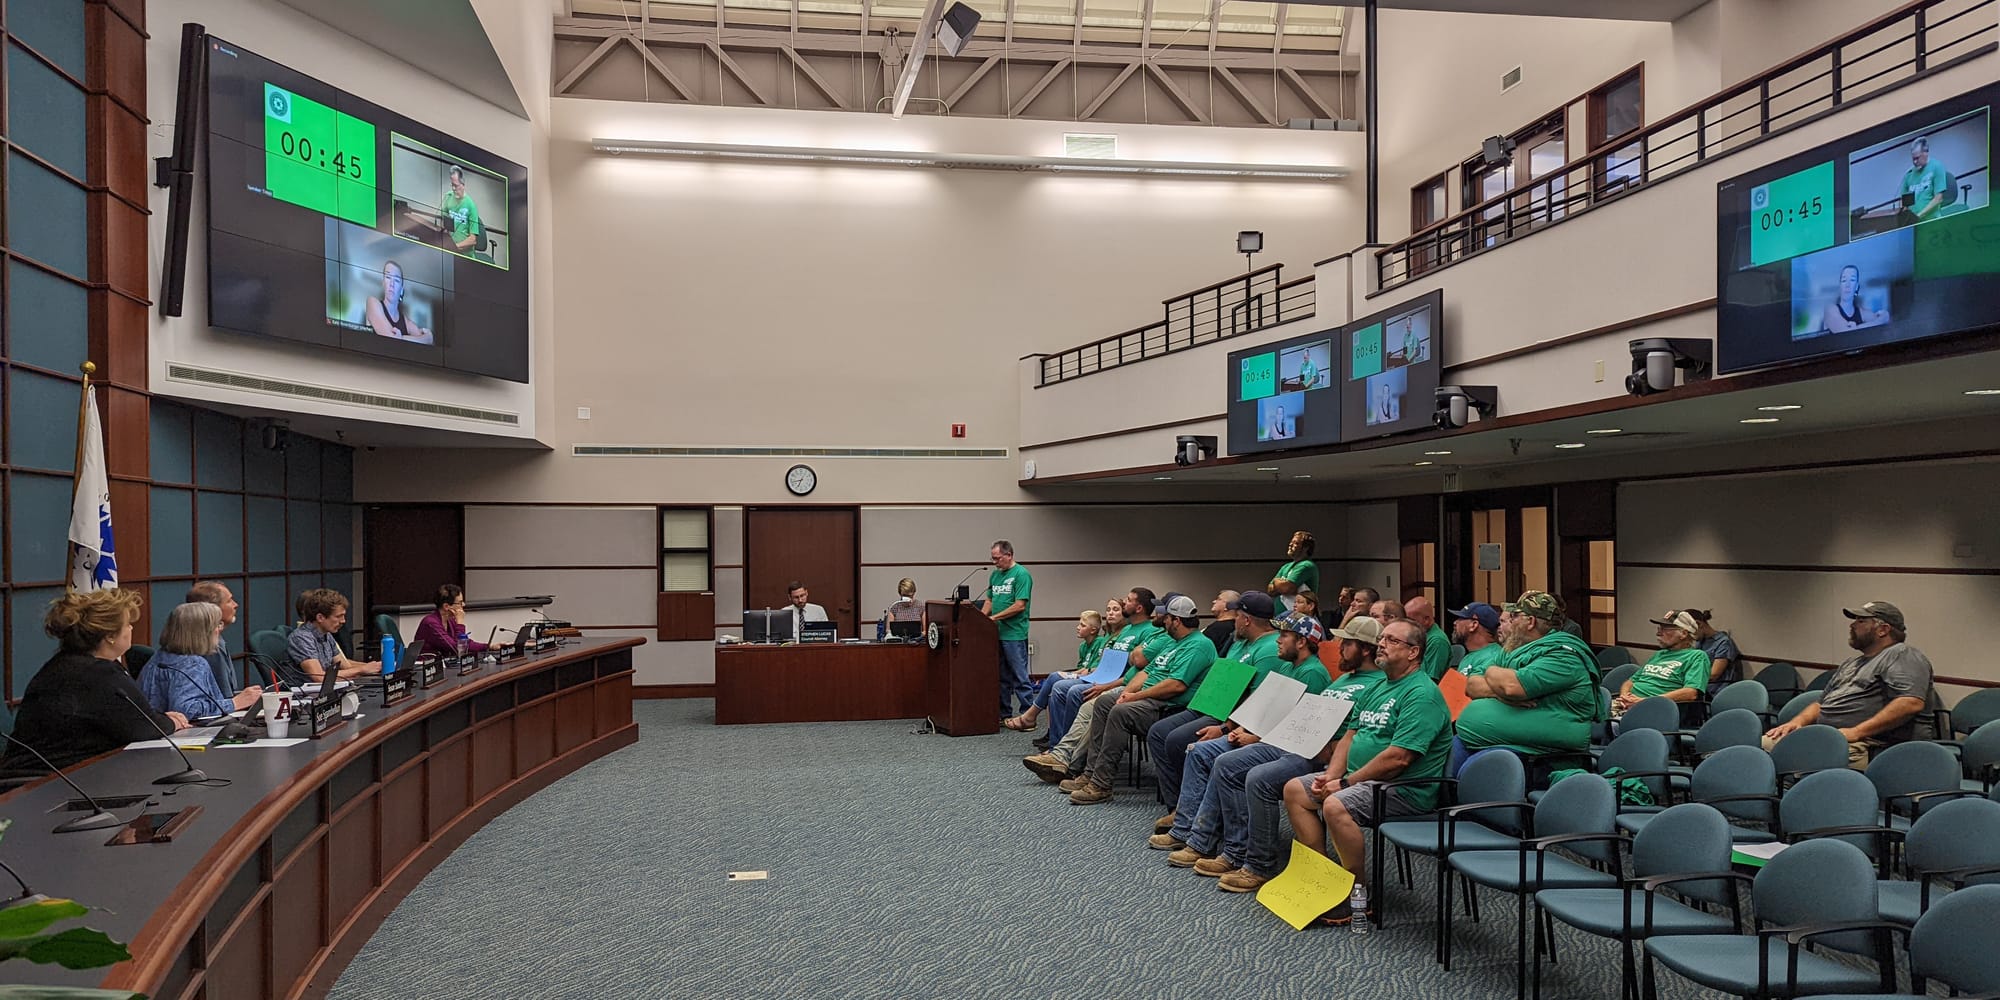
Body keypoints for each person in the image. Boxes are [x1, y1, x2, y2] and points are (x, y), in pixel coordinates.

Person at [1186, 615, 1386, 892]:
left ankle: (1259, 865)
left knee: (1258, 778)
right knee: (1226, 763)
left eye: (1347, 643)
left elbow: (1358, 735)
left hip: (1319, 755)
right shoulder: (1344, 679)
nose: (1339, 647)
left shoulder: (1375, 684)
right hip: (1296, 743)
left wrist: (1333, 765)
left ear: (1365, 649)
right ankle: (1231, 851)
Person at [1284, 618, 1453, 923]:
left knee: (1336, 805)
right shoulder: (1379, 686)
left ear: (1413, 652)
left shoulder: (1421, 694)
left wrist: (1345, 783)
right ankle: (1326, 879)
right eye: (1382, 638)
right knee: (1295, 790)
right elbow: (1350, 736)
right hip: (1360, 780)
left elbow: (1399, 758)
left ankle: (1356, 894)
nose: (1382, 644)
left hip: (1404, 789)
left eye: (1392, 640)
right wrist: (1332, 776)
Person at [1, 589, 188, 773]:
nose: (131, 628)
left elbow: (130, 718)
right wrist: (173, 722)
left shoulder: (62, 664)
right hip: (46, 780)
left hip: (49, 774)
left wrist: (160, 719)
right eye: (128, 624)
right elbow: (144, 728)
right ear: (110, 636)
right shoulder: (100, 673)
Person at [1064, 595, 1215, 805]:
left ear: (1176, 621)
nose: (1162, 621)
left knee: (1120, 712)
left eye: (1166, 618)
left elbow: (1176, 685)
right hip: (1148, 699)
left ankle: (1101, 785)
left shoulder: (1198, 645)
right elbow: (1145, 672)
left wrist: (1135, 697)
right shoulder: (1172, 643)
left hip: (1169, 705)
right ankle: (1090, 774)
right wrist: (1125, 694)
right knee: (1105, 702)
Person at [1150, 591, 1281, 831]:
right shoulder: (1239, 642)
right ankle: (1179, 806)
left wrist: (1224, 728)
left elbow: (1257, 699)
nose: (1234, 620)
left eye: (1237, 616)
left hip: (1229, 716)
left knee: (1177, 741)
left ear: (1247, 620)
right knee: (1158, 733)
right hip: (1211, 705)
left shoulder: (1269, 650)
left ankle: (1193, 810)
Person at [1763, 601, 1933, 770]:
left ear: (1883, 630)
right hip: (1830, 736)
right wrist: (1797, 722)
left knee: (1790, 758)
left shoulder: (1901, 655)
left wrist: (1856, 732)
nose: (1852, 625)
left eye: (1861, 621)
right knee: (1762, 745)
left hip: (1872, 744)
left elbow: (1910, 702)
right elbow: (1821, 704)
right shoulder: (1852, 663)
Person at [1453, 591, 1600, 776]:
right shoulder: (1514, 649)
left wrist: (1491, 672)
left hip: (1543, 758)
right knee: (1450, 757)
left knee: (1476, 771)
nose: (1509, 622)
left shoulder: (1564, 655)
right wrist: (1499, 693)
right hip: (1496, 743)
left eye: (1515, 616)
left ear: (1530, 622)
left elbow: (1512, 687)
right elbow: (1472, 685)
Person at [1024, 589, 1159, 770]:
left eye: (1128, 600)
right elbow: (1106, 658)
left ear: (1139, 608)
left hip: (1119, 682)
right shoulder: (1126, 629)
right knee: (1059, 687)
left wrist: (1105, 685)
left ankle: (1070, 755)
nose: (1124, 602)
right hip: (1101, 676)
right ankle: (1057, 748)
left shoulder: (1150, 631)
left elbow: (1138, 668)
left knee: (1074, 692)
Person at [139, 602, 263, 719]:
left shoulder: (158, 657)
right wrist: (235, 703)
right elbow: (186, 710)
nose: (219, 630)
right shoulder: (192, 664)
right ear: (202, 633)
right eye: (217, 625)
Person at [1004, 609, 1104, 733]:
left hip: (1092, 679)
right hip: (1082, 676)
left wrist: (1071, 674)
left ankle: (1030, 716)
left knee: (1054, 677)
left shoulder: (1100, 642)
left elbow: (1091, 670)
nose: (1078, 627)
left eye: (1082, 625)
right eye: (1079, 624)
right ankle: (1051, 734)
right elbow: (1081, 668)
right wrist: (1072, 673)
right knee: (1052, 691)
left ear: (1093, 630)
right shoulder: (1083, 646)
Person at [1611, 611, 1712, 716]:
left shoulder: (1697, 656)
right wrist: (1624, 697)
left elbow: (1691, 693)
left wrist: (1645, 702)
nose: (1658, 633)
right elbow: (1630, 681)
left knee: (1607, 723)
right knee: (1600, 713)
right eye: (1659, 629)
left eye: (1665, 629)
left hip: (1657, 710)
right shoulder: (1659, 654)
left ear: (1683, 633)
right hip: (1627, 705)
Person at [981, 540, 1034, 719]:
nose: (994, 562)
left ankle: (1027, 715)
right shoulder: (995, 575)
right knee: (1001, 676)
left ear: (1009, 555)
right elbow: (990, 600)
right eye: (992, 558)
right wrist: (981, 619)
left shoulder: (1021, 574)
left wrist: (994, 617)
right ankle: (1004, 714)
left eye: (997, 558)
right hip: (997, 633)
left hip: (1015, 634)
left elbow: (1020, 605)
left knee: (1019, 676)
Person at [288, 588, 383, 683]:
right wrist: (361, 669)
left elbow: (345, 666)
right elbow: (319, 677)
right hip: (307, 691)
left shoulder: (326, 634)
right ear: (320, 617)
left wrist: (376, 666)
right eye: (338, 616)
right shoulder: (301, 638)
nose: (343, 621)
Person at [186, 580, 241, 692]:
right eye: (229, 601)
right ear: (213, 609)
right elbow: (224, 695)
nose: (235, 605)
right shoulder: (210, 646)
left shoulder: (191, 637)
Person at [362, 260, 434, 344]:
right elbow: (390, 338)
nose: (391, 284)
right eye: (388, 277)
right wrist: (424, 339)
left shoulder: (407, 323)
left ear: (401, 289)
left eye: (396, 280)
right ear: (383, 282)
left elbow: (429, 341)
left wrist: (401, 338)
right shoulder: (372, 303)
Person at [414, 584, 491, 658]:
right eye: (460, 603)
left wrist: (489, 646)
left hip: (444, 664)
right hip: (426, 665)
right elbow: (457, 648)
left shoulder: (450, 620)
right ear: (446, 606)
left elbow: (465, 643)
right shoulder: (431, 623)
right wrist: (460, 623)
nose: (463, 605)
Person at [1817, 264, 1889, 334]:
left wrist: (1884, 317)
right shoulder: (1830, 310)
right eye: (1844, 280)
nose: (1847, 285)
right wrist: (1879, 321)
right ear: (1840, 286)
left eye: (1852, 280)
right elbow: (1845, 332)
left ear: (1856, 287)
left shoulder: (1863, 313)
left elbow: (1884, 319)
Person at [1688, 608, 1741, 694]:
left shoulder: (1723, 642)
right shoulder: (1700, 641)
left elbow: (1714, 675)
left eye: (1690, 632)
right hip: (1699, 686)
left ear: (1699, 624)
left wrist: (1688, 678)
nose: (1690, 636)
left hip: (1715, 690)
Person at [1901, 136, 1950, 222]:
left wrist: (1918, 216)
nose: (1915, 162)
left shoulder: (1936, 167)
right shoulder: (1909, 174)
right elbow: (1905, 203)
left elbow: (1938, 198)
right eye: (1913, 159)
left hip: (1931, 220)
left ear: (1926, 153)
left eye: (1917, 158)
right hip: (1913, 221)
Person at [1269, 531, 1320, 610]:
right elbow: (1270, 590)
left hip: (1298, 616)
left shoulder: (1306, 565)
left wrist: (1276, 581)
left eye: (1295, 543)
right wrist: (1282, 586)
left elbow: (1286, 588)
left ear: (1306, 548)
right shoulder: (1286, 566)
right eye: (1291, 542)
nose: (1290, 544)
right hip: (1281, 615)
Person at [1450, 602, 1504, 676]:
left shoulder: (1493, 658)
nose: (1455, 622)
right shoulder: (1468, 657)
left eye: (1461, 618)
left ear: (1474, 625)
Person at [1407, 596, 1451, 681]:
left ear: (1426, 620)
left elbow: (1431, 679)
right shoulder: (1420, 635)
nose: (1406, 624)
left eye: (1411, 620)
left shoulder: (1437, 641)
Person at [442, 164, 483, 252]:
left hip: (464, 254)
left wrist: (455, 247)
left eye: (456, 185)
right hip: (449, 249)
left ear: (463, 184)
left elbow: (473, 239)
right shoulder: (448, 196)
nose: (453, 188)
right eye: (452, 185)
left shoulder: (471, 206)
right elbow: (443, 220)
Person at [1203, 591, 1241, 656]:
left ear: (1227, 606)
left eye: (1219, 599)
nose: (1214, 601)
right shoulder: (1237, 627)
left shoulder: (1217, 629)